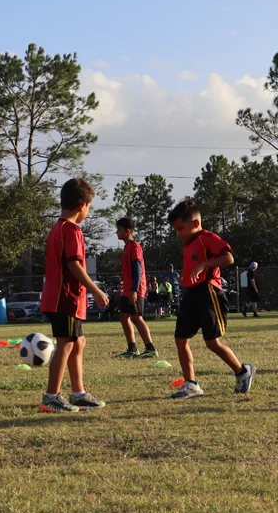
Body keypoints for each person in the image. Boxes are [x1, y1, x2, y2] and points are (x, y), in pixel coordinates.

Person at [167, 198, 255, 400]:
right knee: (181, 340)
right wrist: (185, 277)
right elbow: (192, 264)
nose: (178, 234)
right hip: (192, 294)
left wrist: (204, 265)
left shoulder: (207, 237)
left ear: (196, 223)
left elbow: (228, 258)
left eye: (181, 228)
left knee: (212, 342)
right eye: (176, 230)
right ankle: (191, 384)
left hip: (209, 294)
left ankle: (242, 372)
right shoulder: (188, 243)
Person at [38, 177, 109, 413]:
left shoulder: (56, 228)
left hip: (58, 297)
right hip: (64, 298)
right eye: (89, 207)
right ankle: (51, 396)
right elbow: (73, 265)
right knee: (66, 344)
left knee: (78, 342)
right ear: (82, 206)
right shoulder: (72, 230)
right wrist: (94, 289)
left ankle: (78, 393)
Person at [115, 218, 158, 359]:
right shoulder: (127, 247)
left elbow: (138, 269)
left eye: (119, 229)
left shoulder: (134, 247)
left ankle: (150, 349)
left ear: (128, 231)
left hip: (136, 289)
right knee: (123, 317)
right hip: (128, 289)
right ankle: (132, 349)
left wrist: (134, 289)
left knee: (136, 317)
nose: (117, 232)